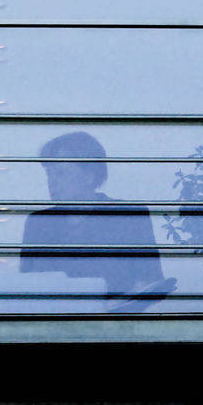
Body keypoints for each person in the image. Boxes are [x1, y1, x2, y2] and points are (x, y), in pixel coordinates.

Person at [20, 132, 175, 313]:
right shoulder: (38, 223)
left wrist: (114, 306)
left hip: (114, 330)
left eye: (60, 173)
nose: (51, 181)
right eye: (49, 173)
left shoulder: (129, 216)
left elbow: (150, 282)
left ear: (89, 177)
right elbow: (27, 288)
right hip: (54, 329)